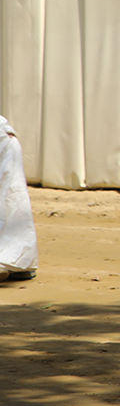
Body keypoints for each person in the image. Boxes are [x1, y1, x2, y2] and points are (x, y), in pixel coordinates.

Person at [0, 115, 38, 283]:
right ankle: (20, 262)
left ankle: (16, 261)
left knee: (11, 199)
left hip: (4, 142)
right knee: (12, 199)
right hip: (6, 139)